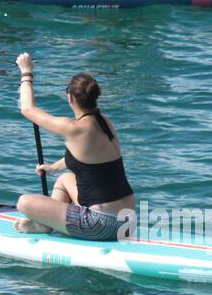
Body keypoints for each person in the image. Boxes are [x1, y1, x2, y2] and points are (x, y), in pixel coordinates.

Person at [13, 53, 136, 241]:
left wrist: (26, 72)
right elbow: (89, 159)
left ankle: (46, 226)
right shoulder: (105, 123)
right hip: (128, 222)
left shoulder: (74, 128)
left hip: (100, 225)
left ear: (70, 98)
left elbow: (28, 110)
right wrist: (53, 167)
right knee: (64, 179)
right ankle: (47, 223)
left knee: (24, 203)